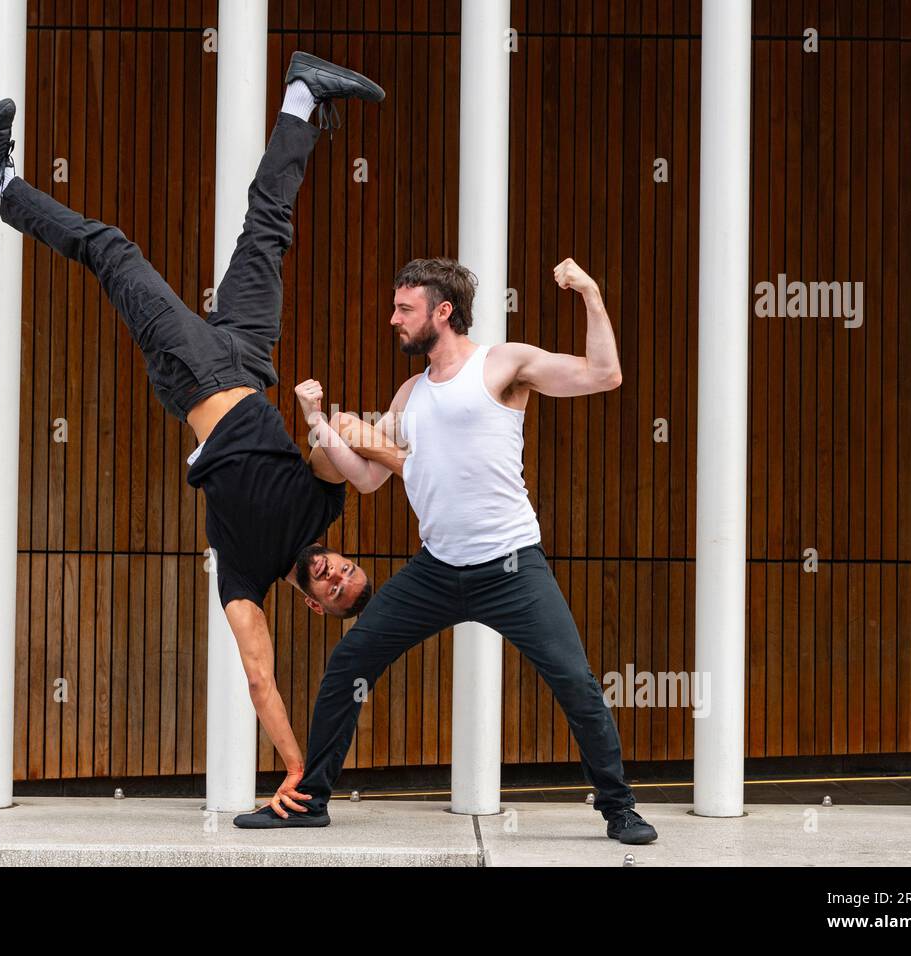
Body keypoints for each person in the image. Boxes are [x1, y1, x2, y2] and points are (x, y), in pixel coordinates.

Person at [0, 52, 384, 809]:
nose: (334, 573)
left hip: (198, 378)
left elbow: (259, 676)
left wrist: (292, 769)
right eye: (347, 570)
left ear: (316, 607)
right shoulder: (325, 511)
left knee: (112, 250)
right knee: (269, 230)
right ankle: (301, 96)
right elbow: (333, 456)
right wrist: (338, 426)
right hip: (248, 362)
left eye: (334, 590)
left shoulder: (245, 579)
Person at [235, 257, 659, 845]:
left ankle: (620, 809)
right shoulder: (410, 393)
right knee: (348, 665)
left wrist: (589, 290)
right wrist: (315, 418)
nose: (393, 320)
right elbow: (365, 477)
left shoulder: (502, 363)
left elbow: (604, 373)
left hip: (511, 565)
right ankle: (310, 801)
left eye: (404, 309)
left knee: (575, 682)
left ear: (442, 311)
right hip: (436, 570)